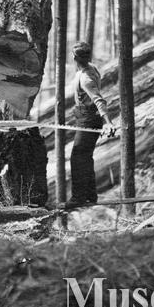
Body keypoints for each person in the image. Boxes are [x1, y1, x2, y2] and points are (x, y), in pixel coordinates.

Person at [66, 41, 116, 209]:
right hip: (85, 117)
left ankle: (79, 197)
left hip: (88, 118)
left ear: (74, 58)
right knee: (85, 156)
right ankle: (90, 196)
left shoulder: (86, 77)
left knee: (77, 157)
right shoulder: (91, 68)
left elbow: (98, 100)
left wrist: (108, 122)